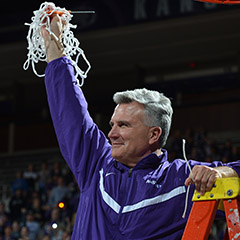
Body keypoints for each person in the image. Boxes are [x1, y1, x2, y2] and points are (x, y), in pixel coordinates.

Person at [41, 14, 240, 239]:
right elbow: (69, 110)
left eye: (123, 125)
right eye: (112, 124)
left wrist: (221, 173)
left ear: (154, 134)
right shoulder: (95, 164)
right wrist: (53, 43)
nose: (111, 133)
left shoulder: (181, 178)